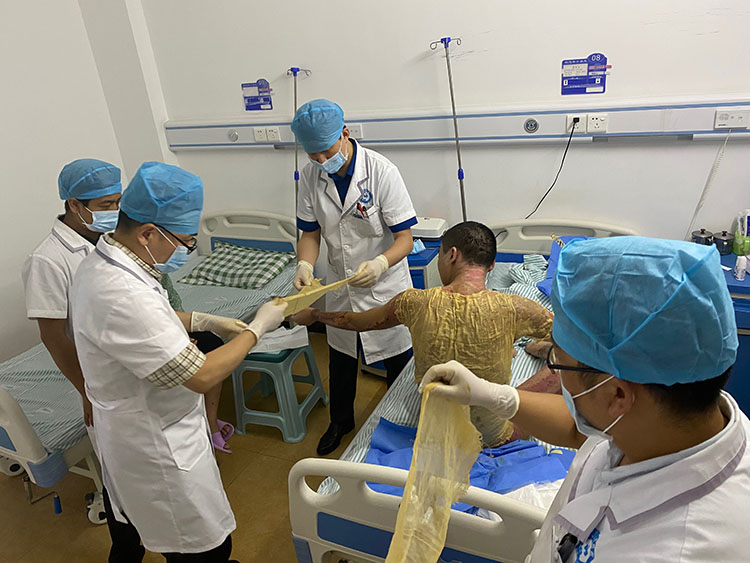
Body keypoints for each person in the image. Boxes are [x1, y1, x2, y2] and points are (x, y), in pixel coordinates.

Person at [421, 236, 749, 562]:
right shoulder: (672, 411)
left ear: (617, 393)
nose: (557, 375)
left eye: (557, 362)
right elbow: (584, 433)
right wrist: (493, 395)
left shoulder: (673, 550)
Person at [71, 161, 287, 561]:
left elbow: (151, 318)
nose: (187, 250)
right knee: (204, 548)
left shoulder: (107, 263)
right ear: (148, 233)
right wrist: (258, 327)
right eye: (186, 242)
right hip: (155, 447)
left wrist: (202, 320)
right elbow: (202, 375)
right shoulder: (121, 291)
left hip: (143, 427)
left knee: (186, 540)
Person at [293, 221, 555, 446]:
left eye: (439, 255)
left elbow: (354, 321)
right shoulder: (515, 308)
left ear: (452, 255)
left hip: (435, 430)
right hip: (494, 437)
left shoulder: (414, 302)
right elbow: (574, 341)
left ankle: (535, 348)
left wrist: (314, 315)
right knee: (564, 364)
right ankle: (540, 350)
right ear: (492, 266)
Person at [291, 99, 417, 455]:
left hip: (385, 284)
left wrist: (380, 263)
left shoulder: (381, 171)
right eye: (312, 154)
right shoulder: (311, 176)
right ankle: (340, 422)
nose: (320, 161)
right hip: (340, 281)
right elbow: (310, 233)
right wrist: (305, 264)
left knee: (398, 360)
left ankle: (401, 425)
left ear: (345, 133)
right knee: (341, 358)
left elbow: (405, 239)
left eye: (326, 151)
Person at [22, 158, 122, 428]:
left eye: (117, 202)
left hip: (129, 361)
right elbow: (53, 336)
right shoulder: (47, 260)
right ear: (75, 205)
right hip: (97, 375)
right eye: (106, 205)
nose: (115, 211)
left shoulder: (110, 240)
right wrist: (86, 390)